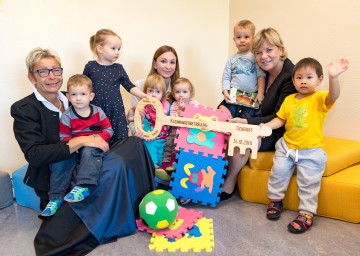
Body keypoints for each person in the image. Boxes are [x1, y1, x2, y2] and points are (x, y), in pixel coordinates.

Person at [11, 47, 155, 255]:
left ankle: (130, 205)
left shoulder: (72, 96)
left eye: (56, 70)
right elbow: (35, 155)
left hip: (86, 159)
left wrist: (130, 115)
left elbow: (100, 116)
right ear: (31, 77)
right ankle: (99, 210)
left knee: (133, 144)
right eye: (43, 71)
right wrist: (81, 140)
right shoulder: (24, 108)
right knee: (113, 166)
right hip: (58, 172)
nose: (51, 76)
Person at [263, 57, 349, 234]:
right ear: (293, 80)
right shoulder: (289, 100)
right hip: (287, 147)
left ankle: (306, 213)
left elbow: (334, 95)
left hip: (310, 151)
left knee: (309, 183)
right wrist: (265, 127)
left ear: (319, 80)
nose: (303, 81)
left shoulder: (319, 98)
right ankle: (275, 200)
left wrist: (334, 77)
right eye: (299, 77)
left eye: (309, 77)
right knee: (277, 173)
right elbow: (280, 119)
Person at [220, 28, 297, 201]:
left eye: (269, 50)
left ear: (281, 50)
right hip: (255, 120)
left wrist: (247, 122)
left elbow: (280, 117)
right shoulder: (259, 72)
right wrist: (223, 105)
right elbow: (242, 95)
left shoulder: (291, 76)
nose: (263, 56)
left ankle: (229, 182)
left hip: (276, 130)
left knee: (243, 137)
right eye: (258, 52)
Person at [40, 74, 114, 217]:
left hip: (94, 147)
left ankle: (83, 186)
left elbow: (108, 130)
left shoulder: (98, 112)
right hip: (75, 149)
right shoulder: (67, 116)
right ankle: (55, 198)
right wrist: (78, 143)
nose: (78, 98)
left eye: (83, 94)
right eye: (74, 94)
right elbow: (65, 138)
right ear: (68, 96)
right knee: (59, 162)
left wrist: (95, 138)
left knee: (89, 149)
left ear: (91, 96)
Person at [83, 28, 147, 144]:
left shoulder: (118, 68)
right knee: (98, 140)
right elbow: (83, 87)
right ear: (100, 48)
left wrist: (143, 95)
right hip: (96, 109)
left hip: (116, 110)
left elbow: (129, 86)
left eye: (119, 49)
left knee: (119, 140)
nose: (117, 52)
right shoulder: (91, 67)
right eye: (113, 48)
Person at [128, 45, 180, 135]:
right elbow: (132, 121)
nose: (168, 66)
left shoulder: (179, 90)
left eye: (172, 62)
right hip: (145, 137)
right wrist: (137, 129)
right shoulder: (140, 86)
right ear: (155, 64)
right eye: (163, 61)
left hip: (169, 141)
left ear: (175, 67)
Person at [218, 20, 265, 118]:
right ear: (234, 39)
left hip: (251, 96)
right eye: (238, 37)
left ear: (253, 38)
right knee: (229, 117)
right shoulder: (231, 59)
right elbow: (226, 76)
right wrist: (225, 91)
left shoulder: (255, 57)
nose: (242, 40)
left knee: (245, 120)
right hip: (233, 94)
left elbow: (261, 75)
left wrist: (260, 93)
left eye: (246, 37)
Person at [155, 77, 199, 182]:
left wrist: (181, 110)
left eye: (184, 92)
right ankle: (165, 166)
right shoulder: (174, 105)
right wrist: (178, 109)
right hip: (174, 131)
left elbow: (196, 117)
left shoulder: (194, 104)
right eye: (178, 92)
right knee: (168, 146)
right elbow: (174, 120)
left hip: (188, 133)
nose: (181, 95)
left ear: (191, 94)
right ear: (174, 94)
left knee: (178, 146)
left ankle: (174, 162)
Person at [132, 74, 171, 168]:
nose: (154, 94)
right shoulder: (144, 106)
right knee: (152, 161)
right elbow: (143, 122)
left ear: (163, 94)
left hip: (163, 140)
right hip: (150, 140)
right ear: (145, 92)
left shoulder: (167, 105)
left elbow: (170, 121)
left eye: (158, 91)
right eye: (150, 91)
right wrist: (147, 132)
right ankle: (153, 178)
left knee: (163, 162)